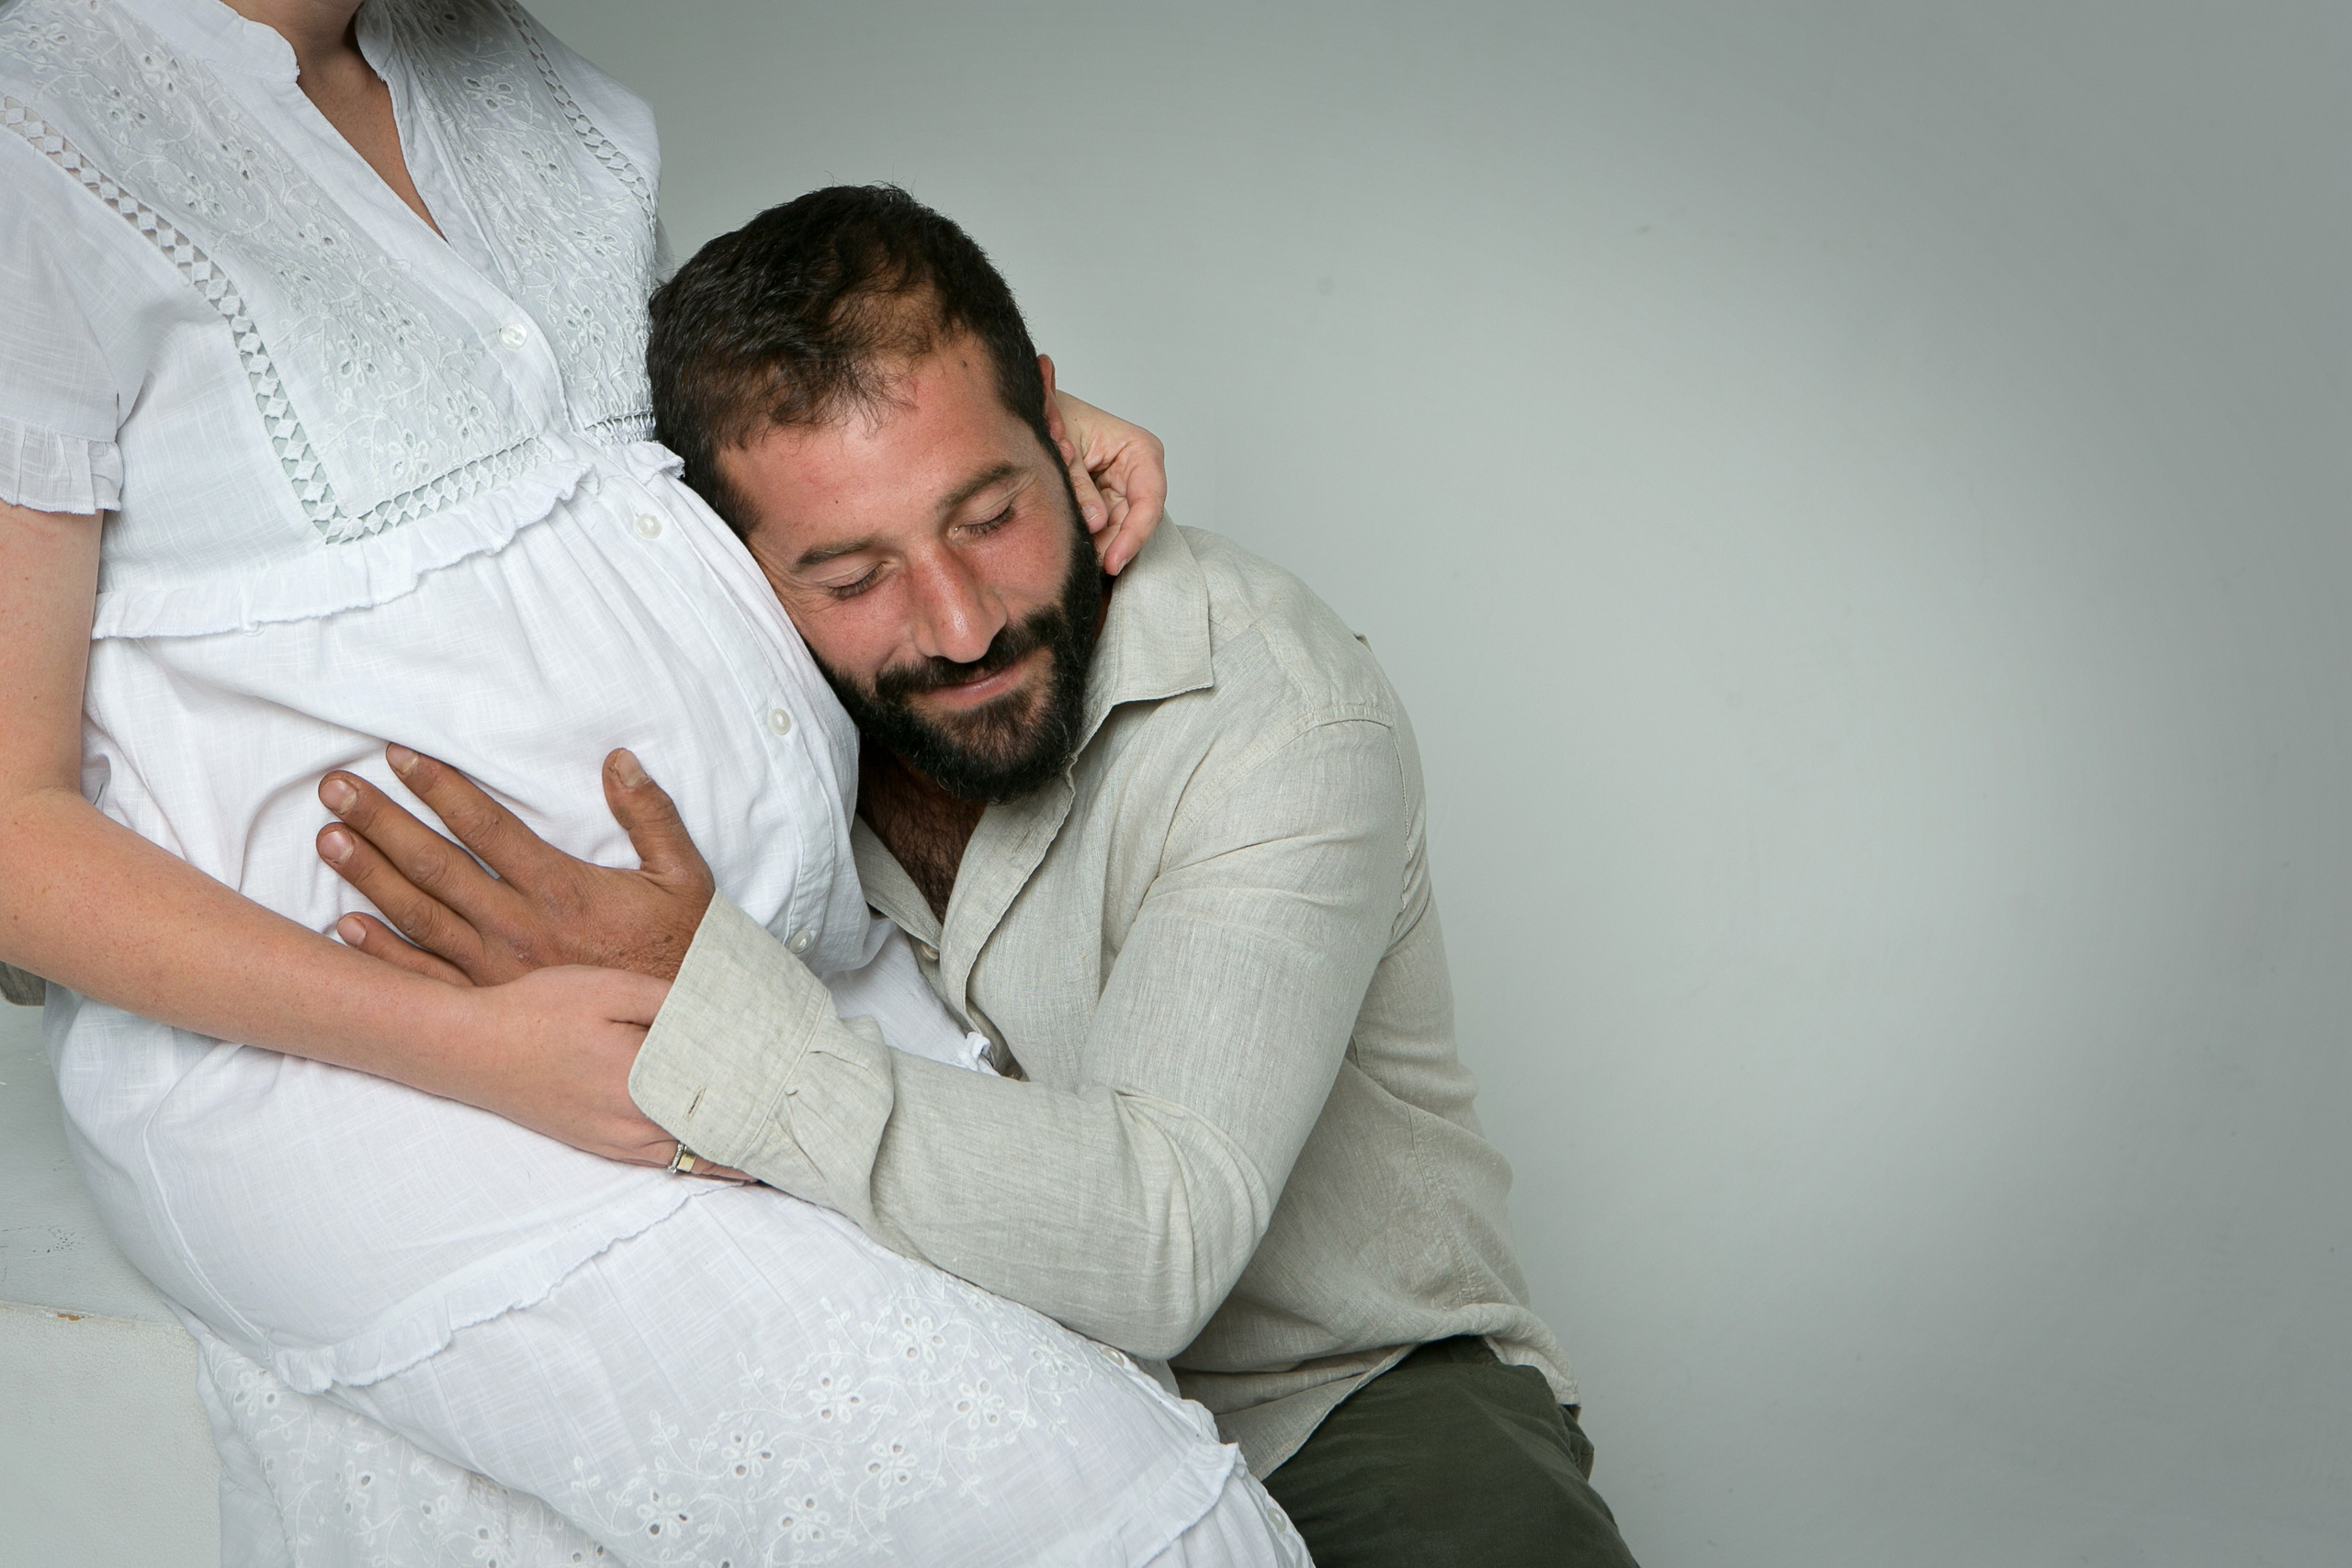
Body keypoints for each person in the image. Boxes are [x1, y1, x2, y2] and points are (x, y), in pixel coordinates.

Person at [0, 1, 1306, 1562]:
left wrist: (997, 439)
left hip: (769, 988)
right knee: (1154, 1543)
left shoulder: (521, 80)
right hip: (398, 1080)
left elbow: (680, 450)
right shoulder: (35, 136)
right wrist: (472, 1046)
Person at [313, 186, 1645, 1567]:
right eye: (851, 575)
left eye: (989, 512)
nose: (960, 625)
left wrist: (704, 1014)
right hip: (966, 1400)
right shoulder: (735, 724)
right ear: (725, 570)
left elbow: (1156, 1240)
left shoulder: (1279, 711)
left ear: (1058, 432)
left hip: (1341, 1403)